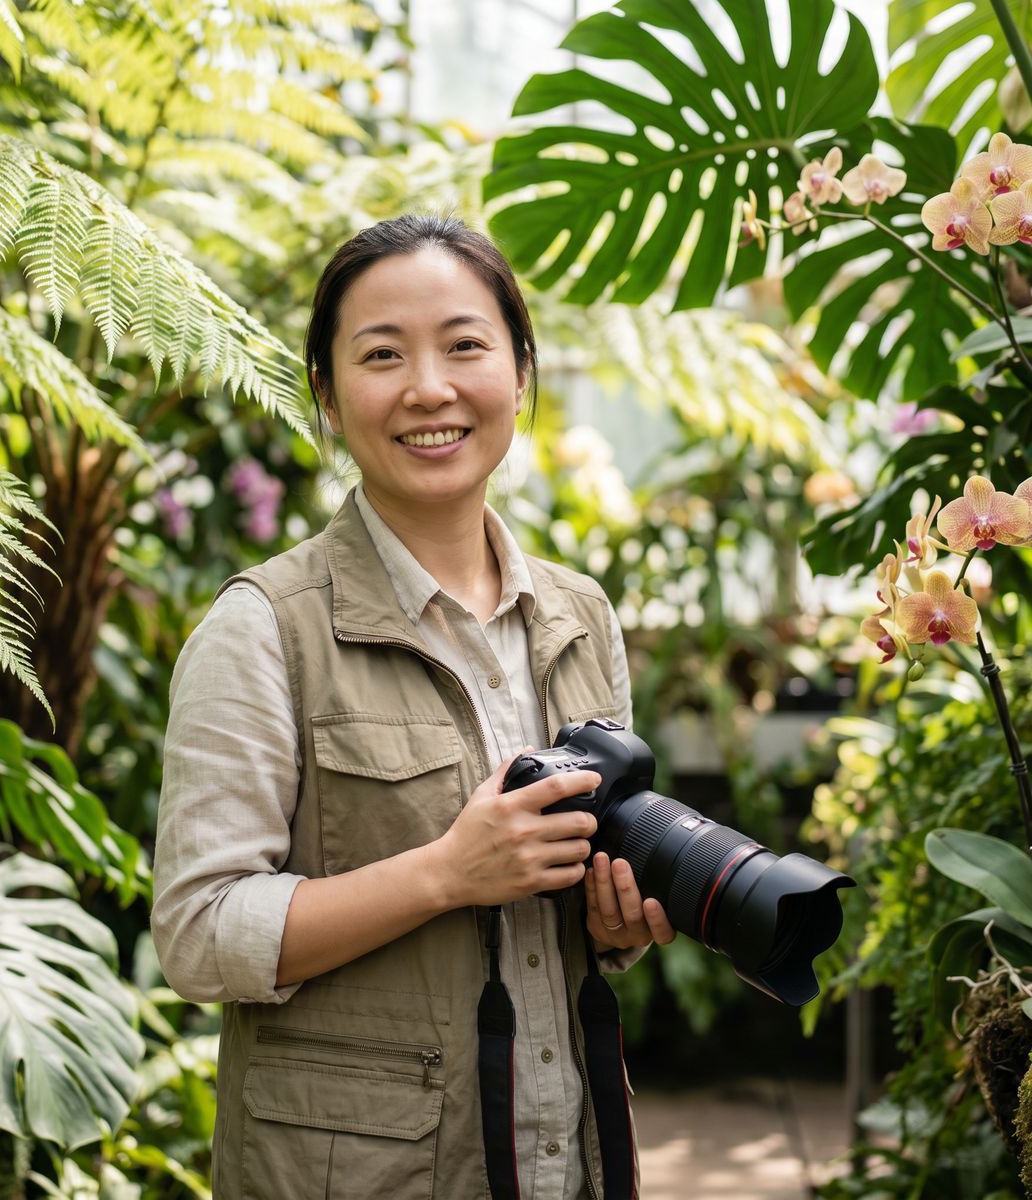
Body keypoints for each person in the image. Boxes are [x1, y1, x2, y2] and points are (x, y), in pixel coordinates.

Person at [151, 215, 676, 1200]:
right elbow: (198, 931)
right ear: (327, 396)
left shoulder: (579, 615)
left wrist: (614, 925)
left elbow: (565, 941)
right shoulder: (265, 628)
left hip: (564, 1157)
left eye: (466, 346)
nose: (429, 388)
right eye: (382, 355)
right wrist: (447, 872)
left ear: (521, 373)